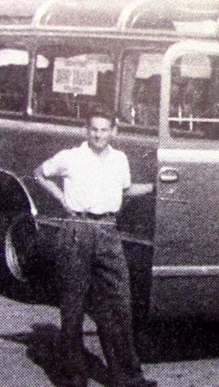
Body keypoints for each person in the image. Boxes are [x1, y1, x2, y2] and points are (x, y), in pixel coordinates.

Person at [33, 106, 156, 387]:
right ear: (86, 130)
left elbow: (125, 190)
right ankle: (73, 377)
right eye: (93, 129)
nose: (99, 135)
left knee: (119, 305)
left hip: (108, 232)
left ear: (113, 131)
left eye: (104, 130)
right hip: (77, 230)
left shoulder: (120, 159)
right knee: (73, 305)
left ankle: (126, 377)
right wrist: (63, 200)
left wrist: (152, 188)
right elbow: (39, 173)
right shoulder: (71, 157)